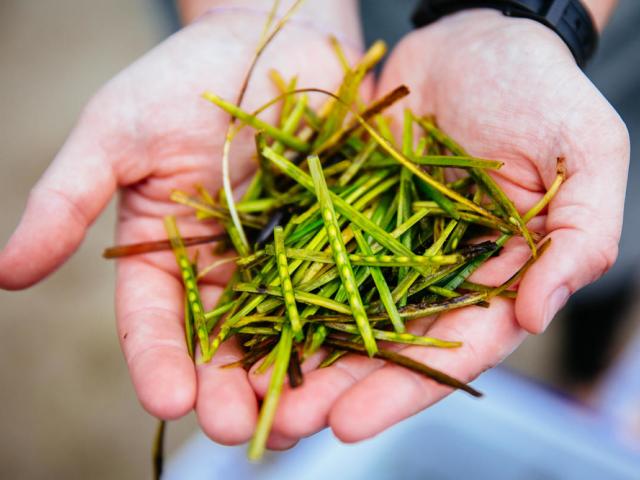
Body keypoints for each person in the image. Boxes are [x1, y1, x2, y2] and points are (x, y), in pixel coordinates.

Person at [0, 0, 629, 451]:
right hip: (307, 34)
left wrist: (523, 14)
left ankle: (584, 376)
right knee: (545, 267)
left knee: (573, 254)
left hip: (582, 42)